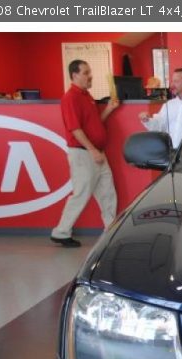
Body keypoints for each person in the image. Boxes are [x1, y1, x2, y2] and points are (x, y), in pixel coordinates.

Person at [51, 59, 119, 248]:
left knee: (107, 191)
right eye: (86, 73)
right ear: (75, 75)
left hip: (96, 152)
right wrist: (92, 150)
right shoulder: (70, 98)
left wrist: (109, 109)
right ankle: (61, 232)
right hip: (84, 154)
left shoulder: (86, 95)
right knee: (81, 193)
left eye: (90, 72)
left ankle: (110, 229)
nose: (90, 76)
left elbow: (95, 122)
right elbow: (75, 129)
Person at [139, 68, 182, 147]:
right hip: (170, 155)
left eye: (176, 81)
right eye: (172, 81)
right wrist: (147, 120)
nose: (172, 85)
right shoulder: (169, 105)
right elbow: (159, 126)